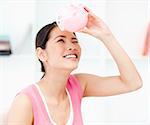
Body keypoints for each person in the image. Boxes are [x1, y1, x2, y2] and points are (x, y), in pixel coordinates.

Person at [7, 7, 142, 125]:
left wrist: (106, 36)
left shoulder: (78, 85)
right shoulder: (25, 101)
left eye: (74, 40)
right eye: (61, 40)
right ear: (42, 54)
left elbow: (133, 83)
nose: (72, 46)